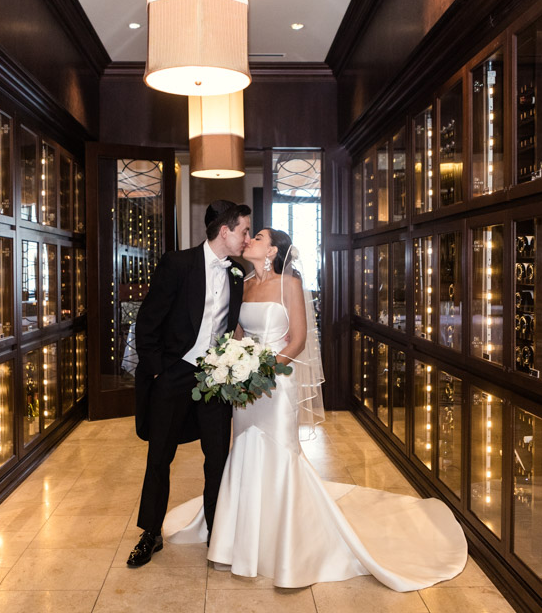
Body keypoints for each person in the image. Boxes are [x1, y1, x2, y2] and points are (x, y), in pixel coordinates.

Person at [164, 228, 468, 590]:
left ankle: (290, 544)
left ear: (273, 250)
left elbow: (299, 339)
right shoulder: (242, 284)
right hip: (247, 385)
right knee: (244, 447)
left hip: (277, 381)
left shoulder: (288, 284)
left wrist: (265, 370)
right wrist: (234, 365)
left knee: (280, 452)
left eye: (257, 237)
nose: (249, 241)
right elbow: (239, 335)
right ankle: (241, 539)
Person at [127, 200, 252, 567]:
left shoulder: (237, 273)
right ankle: (150, 534)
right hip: (174, 374)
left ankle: (217, 532)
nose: (246, 237)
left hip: (215, 379)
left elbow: (230, 327)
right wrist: (158, 371)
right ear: (225, 231)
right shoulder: (177, 264)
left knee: (217, 458)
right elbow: (147, 322)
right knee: (160, 456)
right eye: (244, 231)